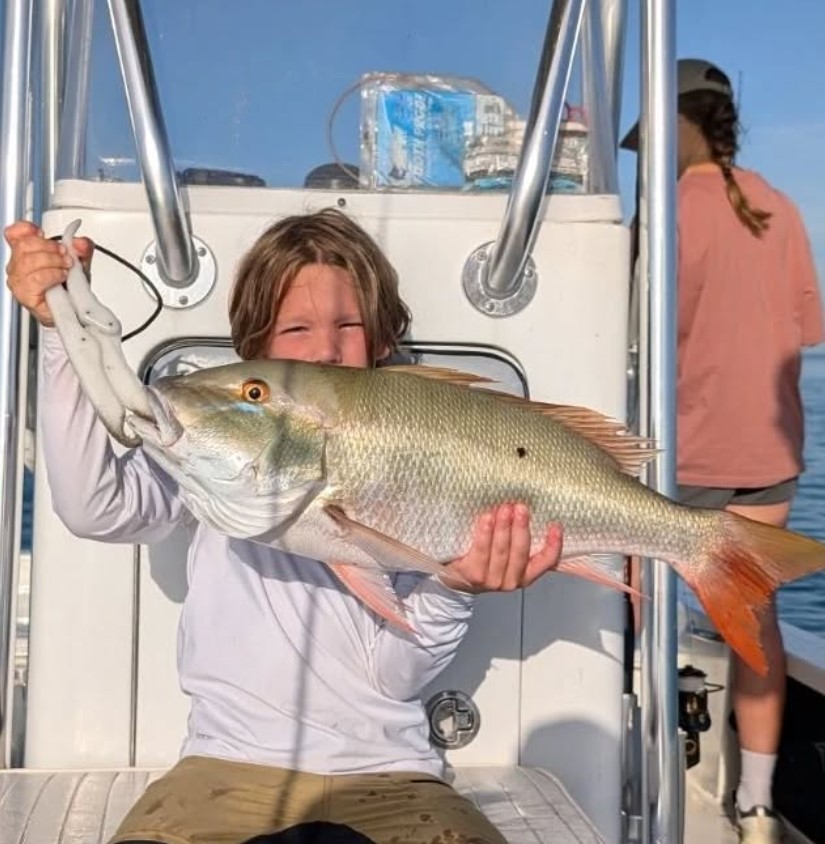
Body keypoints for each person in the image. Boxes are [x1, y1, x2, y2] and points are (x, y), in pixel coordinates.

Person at [5, 208, 563, 844]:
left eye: (349, 325)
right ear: (257, 349)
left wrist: (455, 589)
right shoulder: (204, 461)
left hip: (395, 776)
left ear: (382, 339)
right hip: (221, 769)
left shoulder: (410, 455)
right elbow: (93, 505)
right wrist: (60, 331)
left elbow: (395, 676)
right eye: (296, 328)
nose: (325, 349)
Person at [622, 59, 824, 843]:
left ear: (678, 125)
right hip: (769, 454)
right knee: (754, 622)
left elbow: (635, 332)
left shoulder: (667, 213)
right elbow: (808, 328)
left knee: (636, 609)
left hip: (683, 456)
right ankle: (755, 805)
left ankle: (635, 784)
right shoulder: (781, 206)